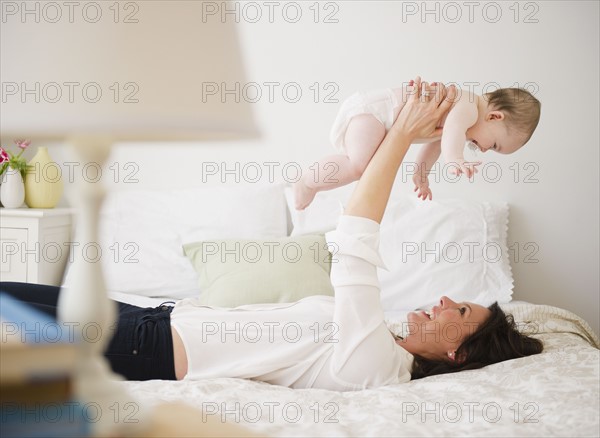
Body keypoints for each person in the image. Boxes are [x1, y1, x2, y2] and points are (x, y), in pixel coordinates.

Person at [0, 78, 543, 390]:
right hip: (155, 318)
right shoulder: (381, 335)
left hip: (148, 348)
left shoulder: (378, 363)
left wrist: (400, 136)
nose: (446, 299)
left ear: (458, 354)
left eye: (463, 313)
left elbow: (355, 237)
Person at [294, 80, 541, 209]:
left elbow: (435, 144)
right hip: (375, 112)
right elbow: (450, 136)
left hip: (377, 117)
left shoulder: (462, 120)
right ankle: (307, 182)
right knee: (358, 167)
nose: (486, 150)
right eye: (495, 145)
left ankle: (311, 183)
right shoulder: (467, 105)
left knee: (364, 169)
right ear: (495, 117)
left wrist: (422, 175)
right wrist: (455, 158)